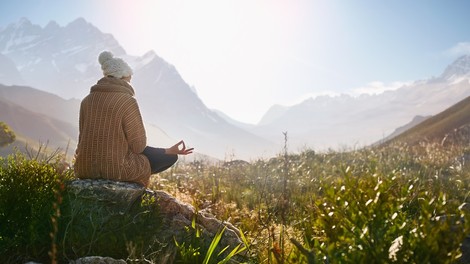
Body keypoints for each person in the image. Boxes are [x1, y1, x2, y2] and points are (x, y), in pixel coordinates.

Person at [74, 51, 193, 187]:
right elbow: (138, 146)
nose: (130, 82)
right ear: (122, 77)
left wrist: (166, 150)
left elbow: (82, 139)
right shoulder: (127, 101)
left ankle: (166, 152)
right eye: (129, 79)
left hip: (84, 168)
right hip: (116, 170)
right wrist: (166, 152)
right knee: (170, 158)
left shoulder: (86, 101)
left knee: (164, 154)